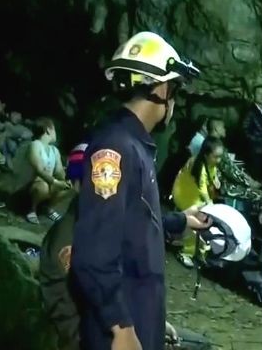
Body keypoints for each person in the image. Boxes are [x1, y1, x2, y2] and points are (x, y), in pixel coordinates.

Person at [70, 31, 204, 350]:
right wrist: (121, 327)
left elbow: (135, 223)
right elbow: (94, 253)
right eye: (175, 89)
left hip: (136, 311)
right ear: (161, 88)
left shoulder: (136, 145)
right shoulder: (116, 148)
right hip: (117, 329)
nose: (174, 100)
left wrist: (181, 220)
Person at [40, 143, 211, 350]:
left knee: (199, 344)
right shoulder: (69, 238)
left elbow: (143, 226)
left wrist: (182, 220)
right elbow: (82, 306)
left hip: (117, 326)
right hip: (89, 338)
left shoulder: (102, 219)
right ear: (76, 184)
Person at [171, 137, 224, 267]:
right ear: (206, 155)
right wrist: (209, 203)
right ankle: (186, 252)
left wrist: (216, 181)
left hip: (195, 195)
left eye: (220, 157)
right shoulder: (198, 164)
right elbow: (202, 187)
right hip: (184, 194)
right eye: (216, 157)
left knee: (204, 217)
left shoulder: (210, 164)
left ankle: (198, 249)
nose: (218, 160)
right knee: (197, 220)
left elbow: (212, 178)